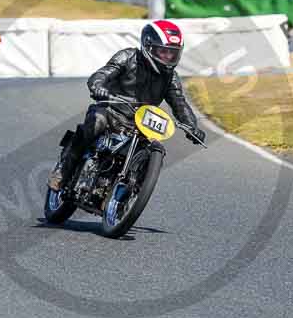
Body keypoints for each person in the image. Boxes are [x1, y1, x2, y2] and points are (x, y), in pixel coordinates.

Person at [48, 19, 206, 191]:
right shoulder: (128, 56)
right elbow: (103, 73)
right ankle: (63, 171)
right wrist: (98, 86)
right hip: (111, 111)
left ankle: (132, 188)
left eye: (172, 53)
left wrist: (192, 127)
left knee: (153, 149)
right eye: (163, 52)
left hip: (141, 124)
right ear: (148, 46)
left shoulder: (171, 77)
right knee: (96, 122)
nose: (168, 57)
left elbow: (180, 103)